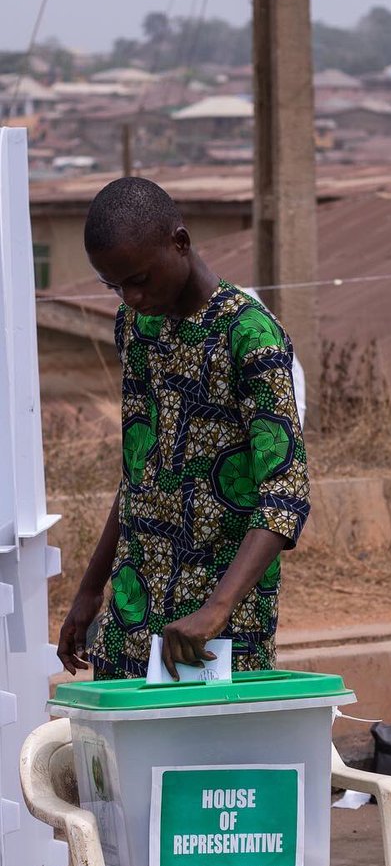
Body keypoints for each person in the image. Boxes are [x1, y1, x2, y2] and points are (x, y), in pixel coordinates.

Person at [56, 177, 310, 680]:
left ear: (181, 242)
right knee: (122, 753)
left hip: (216, 629)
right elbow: (138, 473)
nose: (131, 296)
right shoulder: (136, 327)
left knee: (207, 757)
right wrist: (90, 588)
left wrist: (217, 609)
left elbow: (285, 495)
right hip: (132, 610)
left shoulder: (249, 336)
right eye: (115, 286)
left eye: (141, 278)